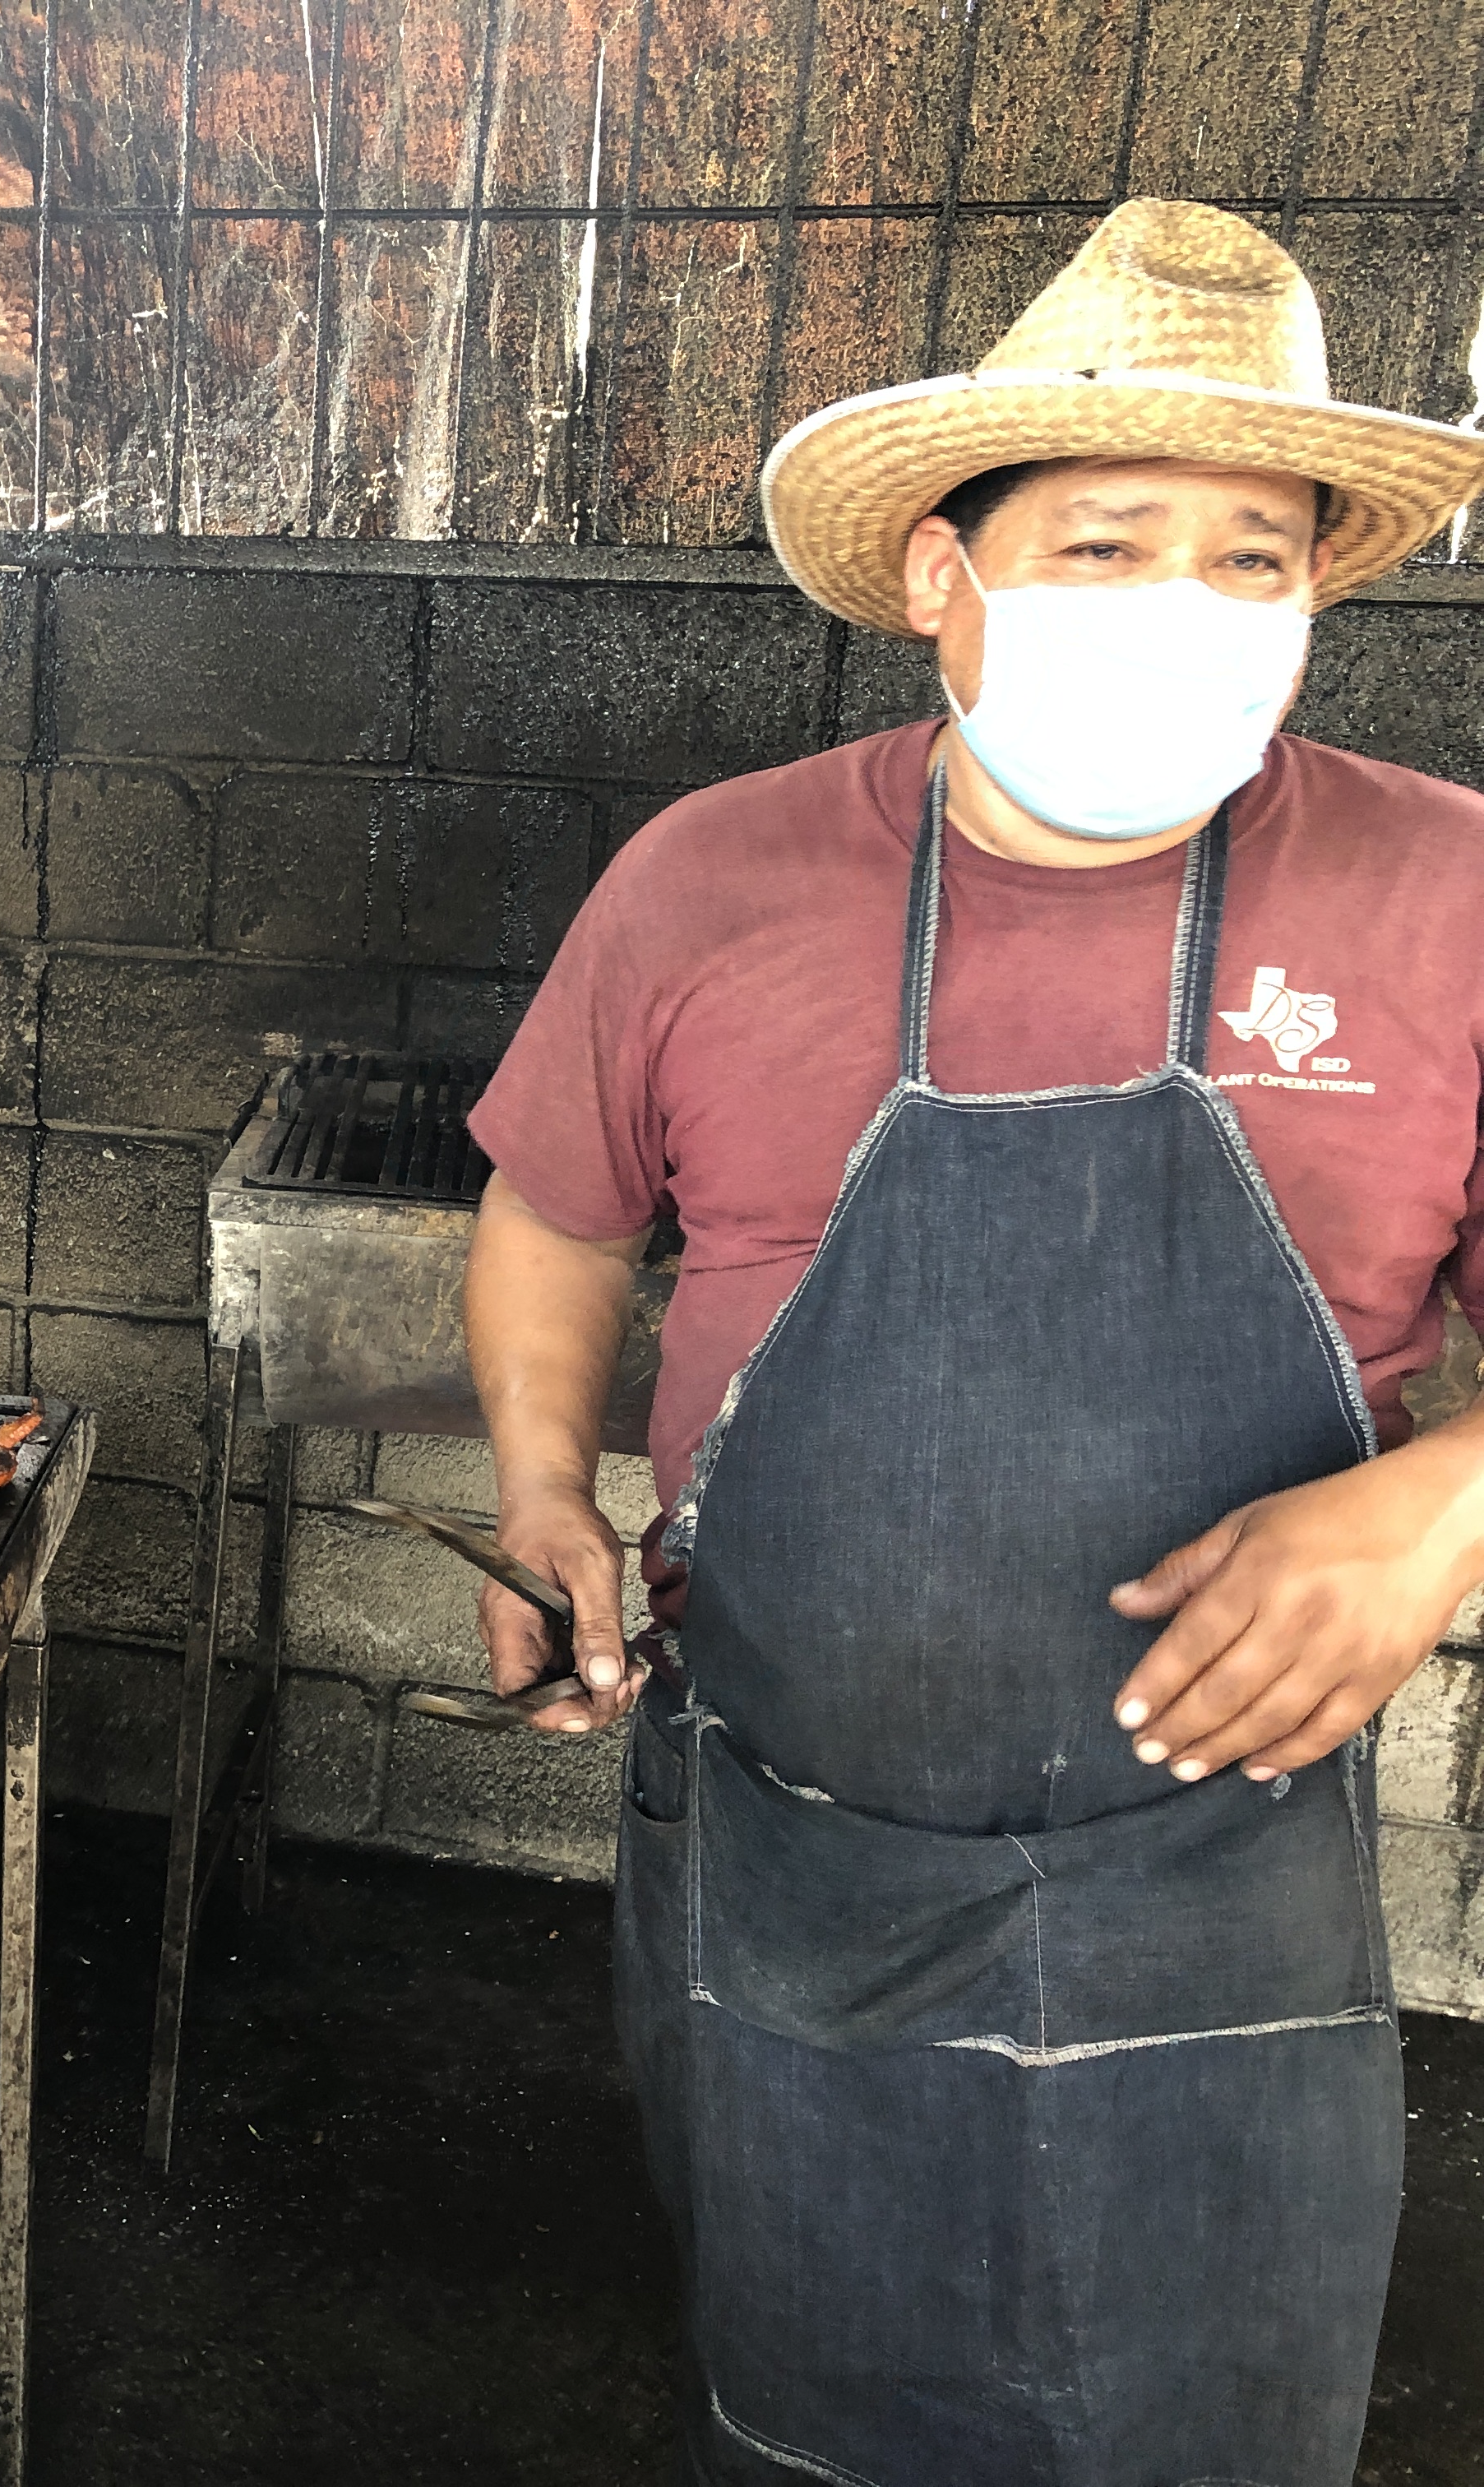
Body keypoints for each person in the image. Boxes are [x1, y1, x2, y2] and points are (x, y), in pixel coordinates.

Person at [460, 197, 1484, 2484]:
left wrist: (1453, 1496)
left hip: (1218, 1897)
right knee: (807, 2412)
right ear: (945, 569)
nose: (1187, 607)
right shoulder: (712, 877)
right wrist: (543, 1486)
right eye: (1105, 544)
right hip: (787, 1858)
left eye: (1251, 559)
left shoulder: (1452, 893)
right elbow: (554, 1216)